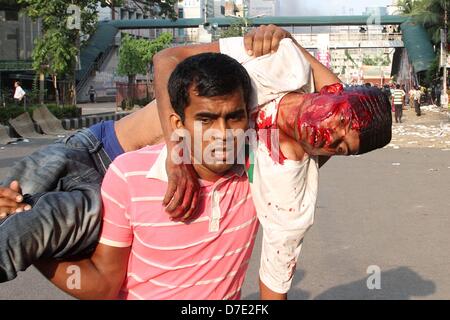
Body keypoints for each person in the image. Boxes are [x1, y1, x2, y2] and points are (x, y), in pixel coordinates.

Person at [0, 26, 391, 298]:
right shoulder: (280, 63)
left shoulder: (286, 175)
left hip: (112, 200)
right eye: (338, 121)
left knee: (25, 230)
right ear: (331, 91)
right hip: (98, 151)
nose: (330, 137)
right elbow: (167, 60)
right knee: (5, 204)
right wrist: (178, 152)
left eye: (340, 147)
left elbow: (276, 266)